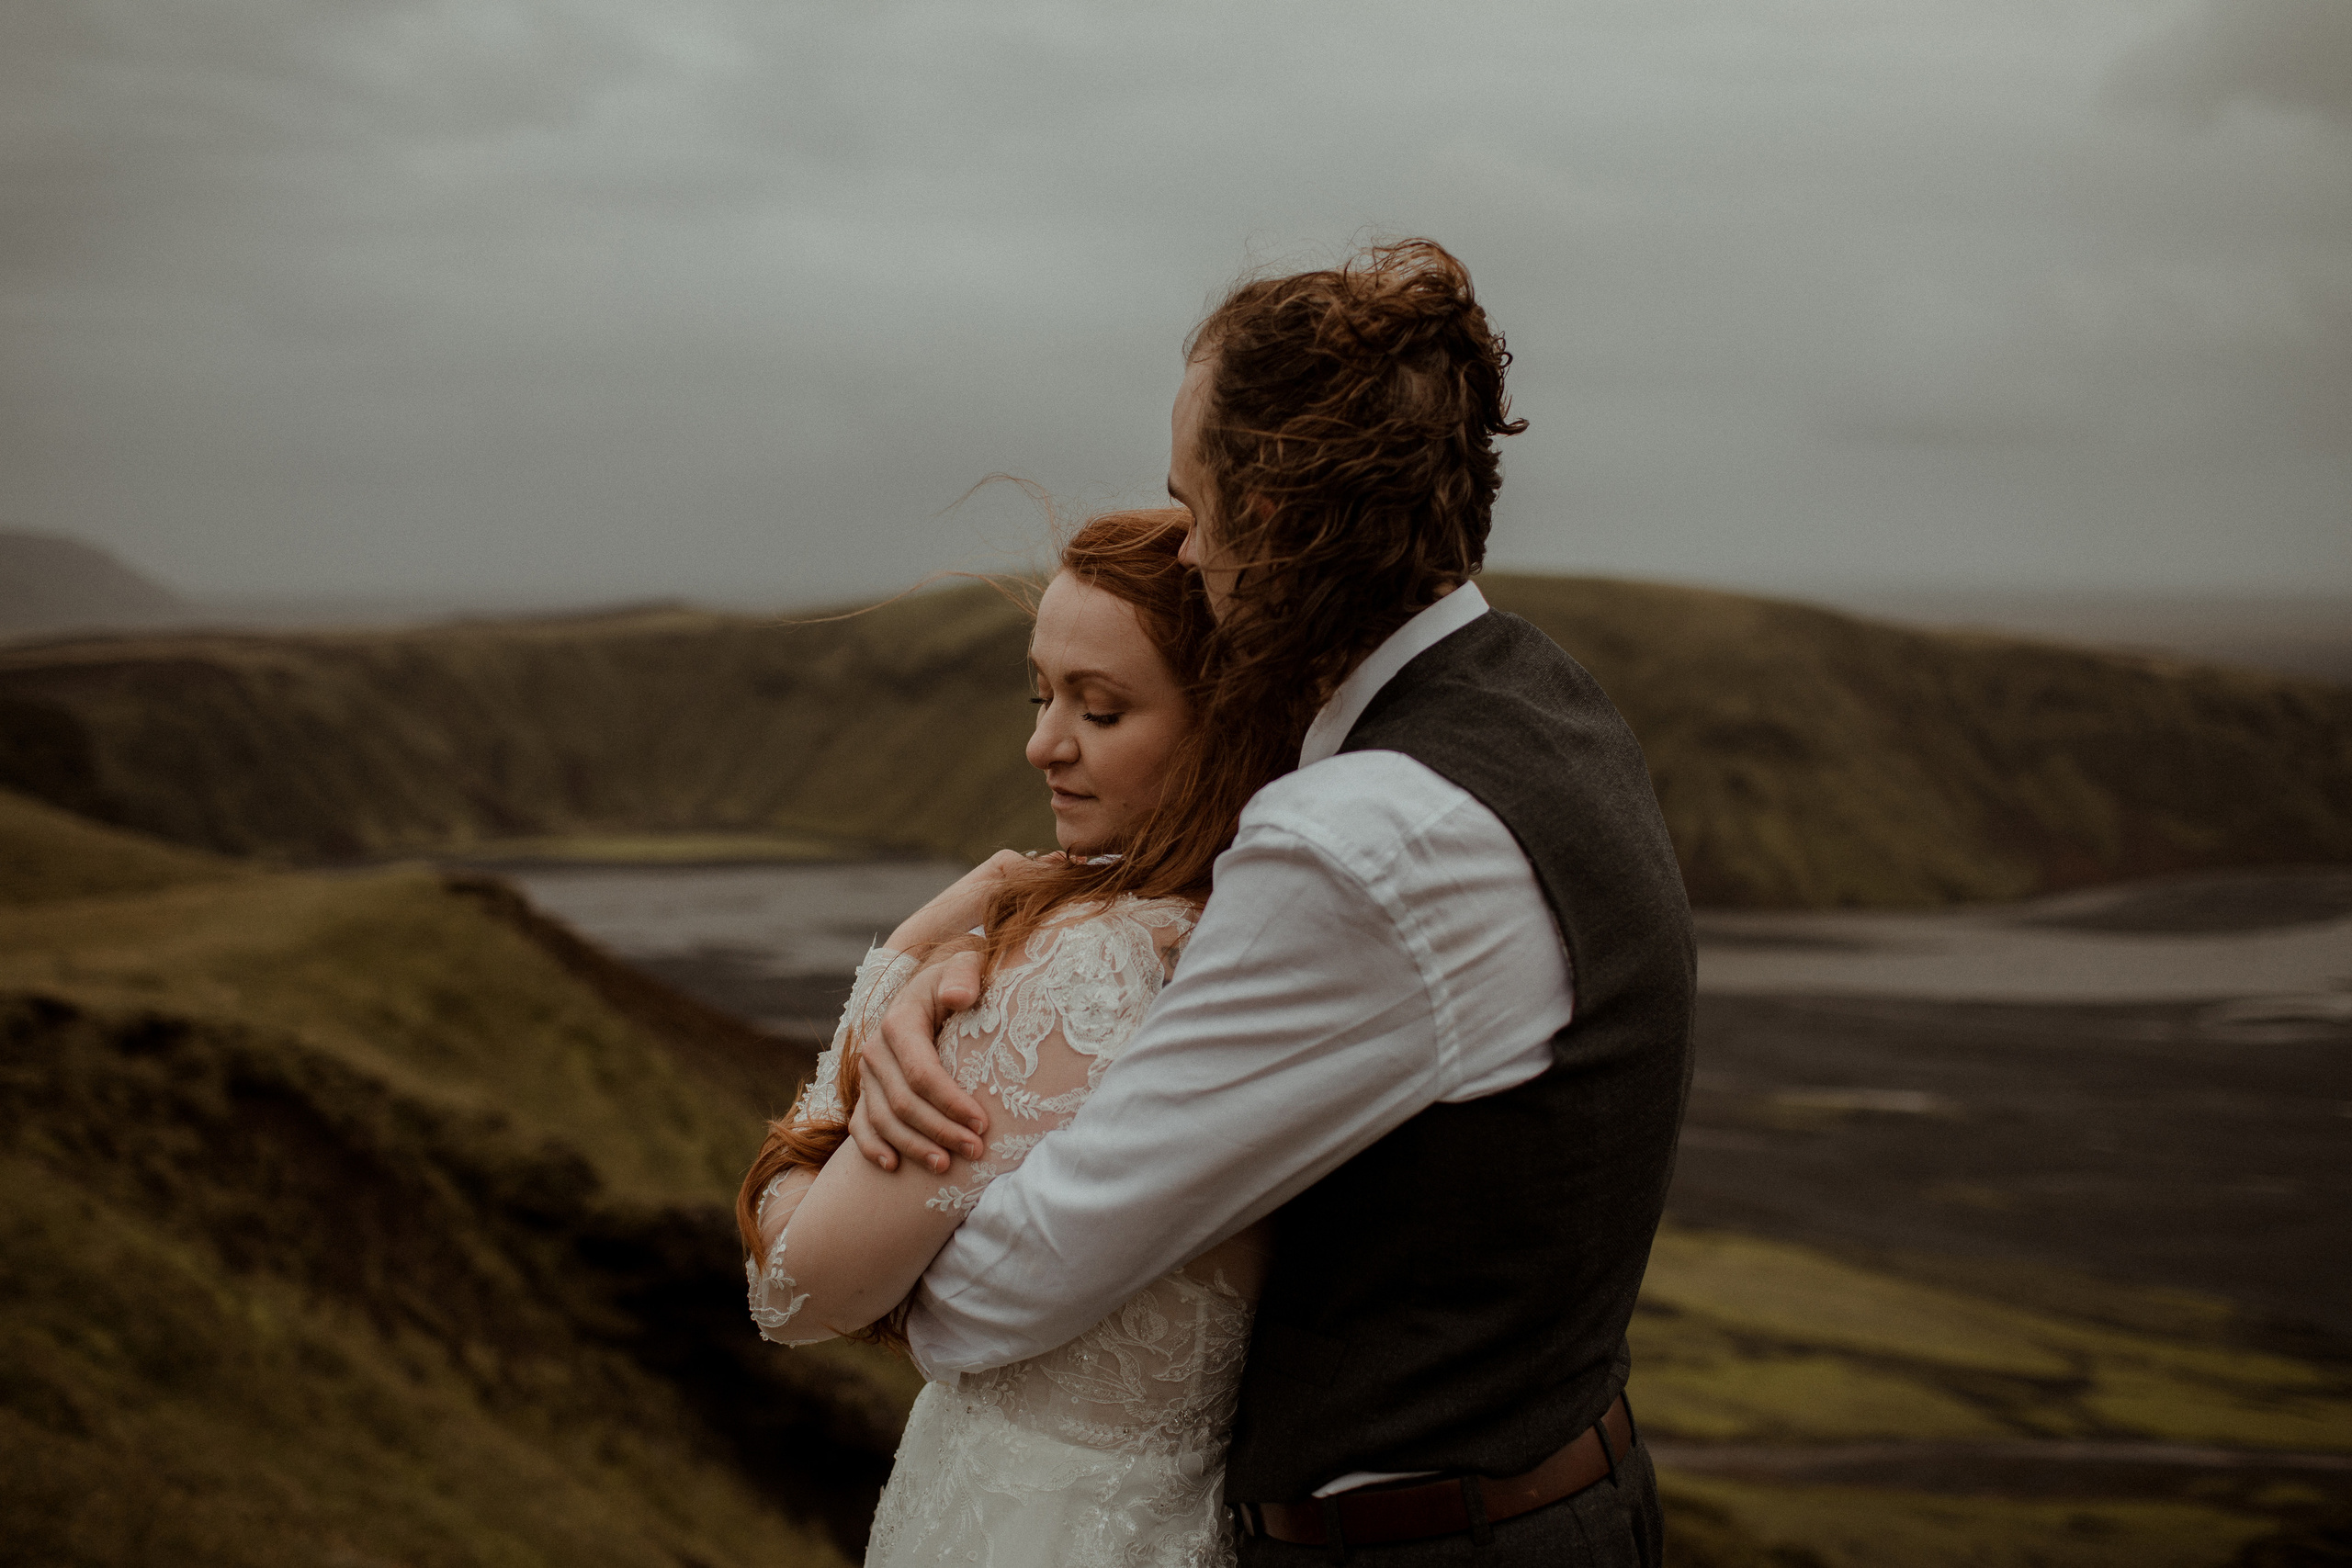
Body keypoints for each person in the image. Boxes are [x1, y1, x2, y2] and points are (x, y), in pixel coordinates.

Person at [850, 239, 1695, 1566]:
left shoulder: (1361, 839)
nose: (1181, 547)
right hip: (1571, 1481)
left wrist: (872, 1206)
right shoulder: (1540, 695)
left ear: (1280, 516)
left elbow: (1005, 1288)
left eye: (1193, 501)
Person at [737, 507, 1283, 1566]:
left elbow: (794, 1291)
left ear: (1226, 724)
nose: (1043, 744)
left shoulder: (1088, 970)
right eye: (1041, 694)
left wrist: (888, 976)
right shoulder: (1271, 942)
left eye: (1103, 709)